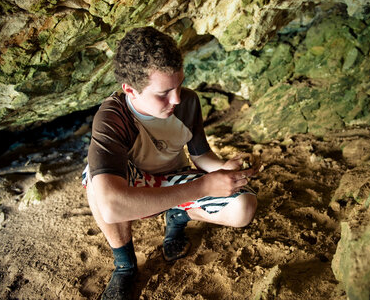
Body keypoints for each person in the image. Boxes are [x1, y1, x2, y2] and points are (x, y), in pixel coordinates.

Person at [82, 27, 259, 300]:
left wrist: (225, 167)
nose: (175, 99)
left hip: (174, 178)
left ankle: (178, 216)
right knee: (96, 180)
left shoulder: (187, 102)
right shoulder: (112, 118)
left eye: (179, 85)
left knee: (244, 208)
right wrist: (202, 188)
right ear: (130, 89)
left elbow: (200, 155)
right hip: (136, 184)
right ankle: (125, 266)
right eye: (164, 93)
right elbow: (112, 206)